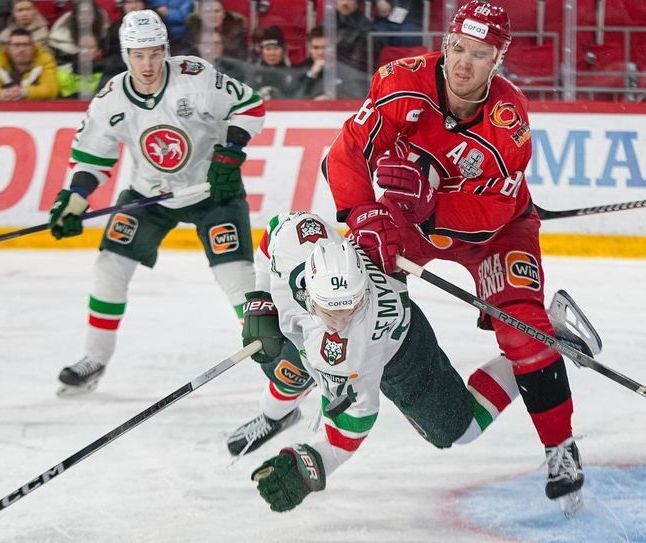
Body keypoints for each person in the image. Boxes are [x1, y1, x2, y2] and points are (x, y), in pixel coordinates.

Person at [322, 0, 592, 513]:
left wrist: (430, 201)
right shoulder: (401, 83)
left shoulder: (509, 122)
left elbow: (492, 212)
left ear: (498, 61)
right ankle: (328, 382)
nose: (464, 63)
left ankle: (560, 447)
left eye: (480, 54)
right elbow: (346, 151)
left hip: (497, 233)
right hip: (408, 223)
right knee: (350, 293)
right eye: (458, 48)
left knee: (523, 330)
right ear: (445, 44)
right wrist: (361, 211)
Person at [231, 212, 600, 515]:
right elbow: (271, 238)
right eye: (333, 311)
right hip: (324, 341)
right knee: (283, 364)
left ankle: (539, 339)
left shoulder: (349, 348)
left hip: (399, 350)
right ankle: (274, 415)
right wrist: (260, 297)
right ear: (310, 289)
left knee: (460, 429)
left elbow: (355, 419)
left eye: (352, 307)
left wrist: (313, 462)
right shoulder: (300, 236)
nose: (342, 322)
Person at [47, 9, 265, 396]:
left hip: (213, 190)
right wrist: (76, 199)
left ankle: (280, 361)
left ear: (165, 50)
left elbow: (250, 105)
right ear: (125, 54)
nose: (147, 65)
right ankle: (95, 359)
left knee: (238, 279)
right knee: (109, 268)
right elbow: (92, 158)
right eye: (138, 55)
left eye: (154, 53)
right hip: (150, 195)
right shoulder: (111, 100)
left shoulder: (195, 77)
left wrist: (231, 153)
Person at [0, 27, 58, 101]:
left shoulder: (45, 60)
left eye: (26, 45)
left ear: (33, 47)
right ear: (8, 48)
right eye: (16, 45)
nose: (21, 50)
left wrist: (25, 92)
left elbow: (51, 89)